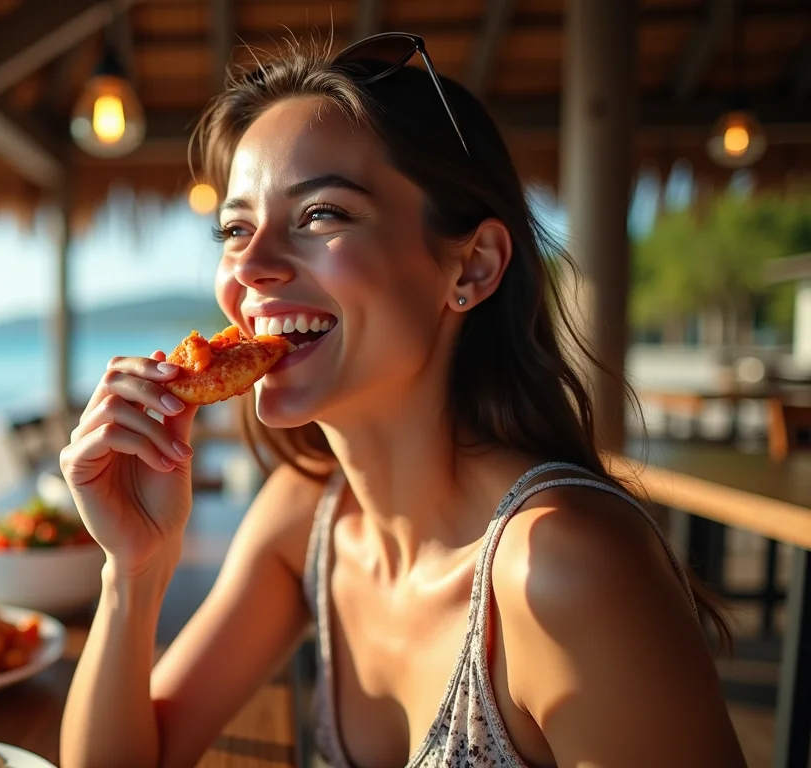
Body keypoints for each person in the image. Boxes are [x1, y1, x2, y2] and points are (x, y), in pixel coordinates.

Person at [58, 32, 745, 768]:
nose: (249, 268)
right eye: (234, 228)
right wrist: (134, 572)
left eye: (322, 214)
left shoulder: (566, 568)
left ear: (471, 266)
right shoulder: (307, 518)